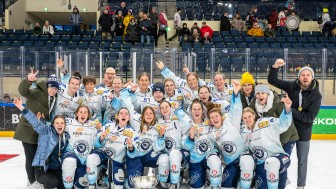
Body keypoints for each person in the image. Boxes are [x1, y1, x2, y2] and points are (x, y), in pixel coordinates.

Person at [268, 59, 322, 189]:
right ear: (299, 77)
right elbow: (273, 81)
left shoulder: (316, 95)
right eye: (303, 74)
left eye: (308, 75)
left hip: (304, 132)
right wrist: (275, 67)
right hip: (288, 129)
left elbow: (308, 117)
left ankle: (301, 186)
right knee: (282, 157)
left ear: (312, 78)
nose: (305, 77)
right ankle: (282, 179)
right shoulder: (292, 86)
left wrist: (289, 109)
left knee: (302, 161)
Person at [249, 84, 299, 188]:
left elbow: (287, 125)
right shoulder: (254, 105)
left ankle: (281, 184)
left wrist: (279, 145)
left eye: (262, 93)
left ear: (267, 94)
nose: (260, 95)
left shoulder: (277, 103)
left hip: (287, 137)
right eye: (257, 93)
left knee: (279, 162)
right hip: (272, 139)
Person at [14, 70, 59, 186]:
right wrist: (28, 80)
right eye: (51, 88)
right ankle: (31, 181)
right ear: (47, 86)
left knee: (37, 157)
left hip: (40, 131)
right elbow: (23, 91)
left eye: (55, 89)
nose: (53, 90)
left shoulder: (53, 99)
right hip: (28, 130)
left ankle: (35, 179)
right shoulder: (37, 92)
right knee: (30, 157)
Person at [239, 94, 293, 189]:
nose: (247, 120)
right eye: (245, 118)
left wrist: (287, 108)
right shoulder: (243, 131)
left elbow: (282, 125)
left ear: (254, 116)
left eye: (249, 116)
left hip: (278, 158)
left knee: (271, 163)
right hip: (261, 164)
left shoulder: (265, 122)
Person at [14, 97, 69, 189]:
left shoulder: (66, 137)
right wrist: (21, 108)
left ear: (65, 125)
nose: (59, 125)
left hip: (58, 170)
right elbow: (34, 121)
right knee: (52, 182)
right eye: (57, 123)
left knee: (66, 185)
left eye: (62, 123)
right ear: (53, 124)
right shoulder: (46, 132)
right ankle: (39, 184)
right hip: (42, 169)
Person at [207, 80, 248, 188]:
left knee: (244, 184)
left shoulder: (230, 121)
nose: (215, 119)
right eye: (212, 117)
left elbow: (236, 109)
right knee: (226, 185)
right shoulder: (211, 133)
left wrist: (235, 93)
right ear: (210, 121)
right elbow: (214, 148)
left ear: (221, 116)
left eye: (216, 116)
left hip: (244, 158)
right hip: (230, 163)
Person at [86, 107, 137, 189]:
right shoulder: (108, 126)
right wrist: (101, 138)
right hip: (103, 156)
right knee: (91, 158)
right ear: (117, 116)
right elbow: (96, 144)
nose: (123, 115)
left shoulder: (132, 132)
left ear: (128, 117)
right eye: (121, 113)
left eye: (126, 114)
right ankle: (92, 184)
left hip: (117, 161)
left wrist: (131, 146)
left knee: (118, 186)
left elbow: (133, 154)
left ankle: (104, 178)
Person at [183, 99, 222, 189]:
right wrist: (191, 138)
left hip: (209, 155)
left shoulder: (209, 122)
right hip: (195, 160)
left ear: (202, 110)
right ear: (191, 111)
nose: (197, 112)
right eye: (194, 109)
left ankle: (215, 185)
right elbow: (186, 147)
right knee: (196, 186)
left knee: (214, 161)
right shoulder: (187, 125)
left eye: (199, 109)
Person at [154, 101, 191, 188]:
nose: (164, 109)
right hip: (165, 153)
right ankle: (162, 183)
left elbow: (188, 122)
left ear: (171, 108)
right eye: (162, 108)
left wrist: (178, 110)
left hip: (179, 152)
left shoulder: (177, 118)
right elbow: (156, 144)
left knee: (174, 154)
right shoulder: (158, 122)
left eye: (166, 107)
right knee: (163, 158)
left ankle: (174, 183)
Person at [61, 105, 99, 189]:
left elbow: (99, 141)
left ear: (88, 115)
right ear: (76, 113)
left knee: (82, 183)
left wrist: (100, 129)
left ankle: (92, 184)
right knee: (69, 162)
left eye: (85, 112)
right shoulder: (69, 123)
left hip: (85, 158)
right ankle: (68, 187)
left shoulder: (93, 126)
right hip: (71, 154)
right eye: (81, 112)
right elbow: (56, 124)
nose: (83, 114)